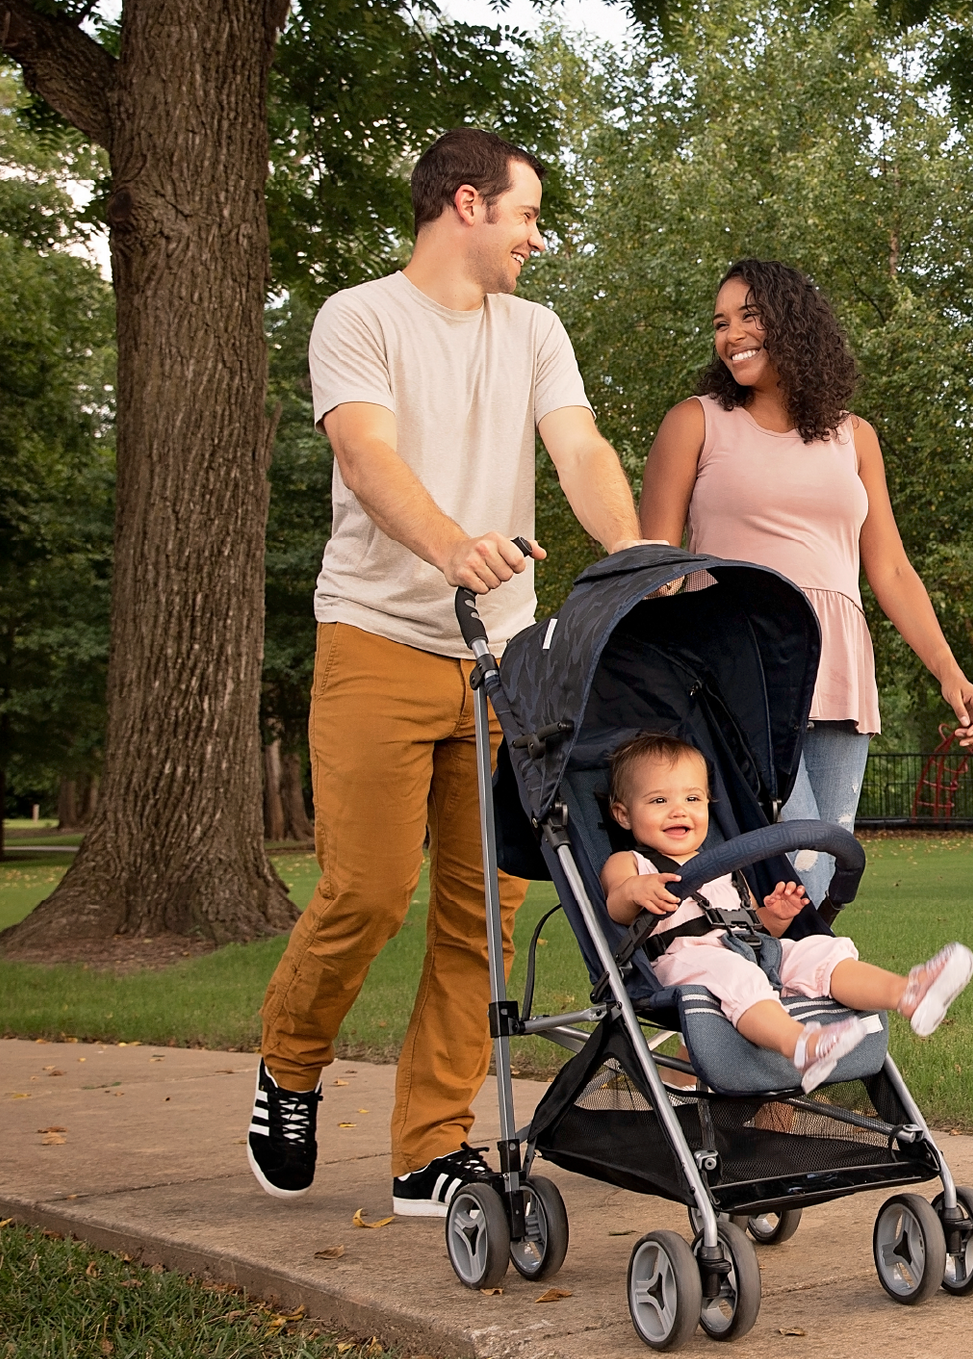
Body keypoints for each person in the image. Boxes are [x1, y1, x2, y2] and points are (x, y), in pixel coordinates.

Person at [249, 129, 641, 1217]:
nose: (535, 236)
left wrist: (634, 553)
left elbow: (580, 449)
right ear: (466, 204)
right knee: (366, 891)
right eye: (525, 214)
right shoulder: (358, 316)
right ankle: (289, 1064)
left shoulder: (535, 330)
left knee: (485, 910)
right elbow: (368, 456)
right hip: (375, 633)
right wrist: (450, 544)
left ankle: (431, 1145)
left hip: (502, 659)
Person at [639, 259, 973, 906]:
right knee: (785, 862)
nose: (731, 334)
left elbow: (887, 568)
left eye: (749, 315)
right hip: (738, 664)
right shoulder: (695, 422)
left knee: (825, 868)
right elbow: (652, 566)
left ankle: (792, 999)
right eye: (720, 322)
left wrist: (948, 670)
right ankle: (774, 999)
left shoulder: (854, 438)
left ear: (793, 324)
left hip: (836, 663)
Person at [599, 733, 973, 1093]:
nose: (679, 810)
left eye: (693, 798)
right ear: (623, 814)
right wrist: (635, 890)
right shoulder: (630, 862)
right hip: (685, 961)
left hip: (751, 949)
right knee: (736, 973)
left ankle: (908, 992)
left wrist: (772, 917)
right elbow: (616, 903)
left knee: (820, 950)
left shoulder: (722, 864)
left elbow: (747, 924)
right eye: (659, 801)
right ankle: (802, 1046)